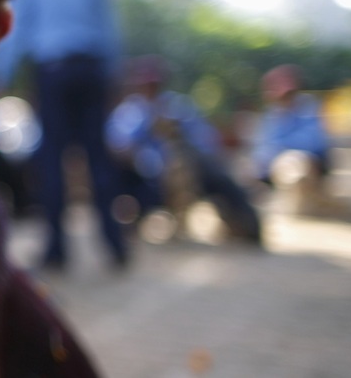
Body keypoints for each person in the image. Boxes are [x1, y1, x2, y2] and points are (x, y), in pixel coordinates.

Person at [0, 0, 127, 270]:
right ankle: (116, 246)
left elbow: (16, 28)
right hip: (91, 70)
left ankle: (56, 251)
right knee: (98, 157)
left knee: (51, 160)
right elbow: (110, 30)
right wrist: (115, 75)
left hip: (52, 72)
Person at [106, 55, 262, 244]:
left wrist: (177, 135)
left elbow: (207, 141)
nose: (150, 89)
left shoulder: (179, 107)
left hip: (188, 172)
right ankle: (131, 223)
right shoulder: (128, 112)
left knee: (201, 170)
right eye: (146, 84)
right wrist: (148, 131)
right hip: (143, 179)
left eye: (154, 83)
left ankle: (245, 226)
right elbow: (118, 146)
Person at [252, 64, 333, 188]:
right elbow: (262, 147)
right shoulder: (272, 113)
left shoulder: (308, 106)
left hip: (307, 163)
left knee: (293, 164)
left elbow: (313, 142)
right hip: (278, 166)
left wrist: (281, 149)